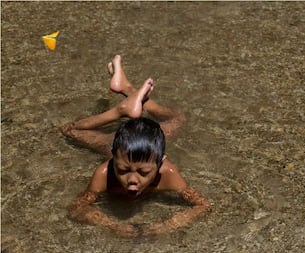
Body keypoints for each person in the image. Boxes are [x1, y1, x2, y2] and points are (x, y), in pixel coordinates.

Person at [61, 55, 211, 238]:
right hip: (112, 144)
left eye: (144, 172)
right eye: (123, 170)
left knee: (178, 118)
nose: (132, 179)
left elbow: (203, 206)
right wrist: (113, 226)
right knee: (69, 130)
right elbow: (77, 209)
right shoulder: (104, 174)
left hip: (144, 144)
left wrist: (165, 226)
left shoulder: (168, 174)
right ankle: (120, 110)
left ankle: (128, 90)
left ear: (161, 163)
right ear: (113, 160)